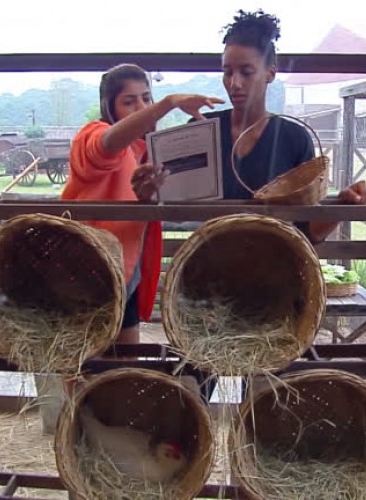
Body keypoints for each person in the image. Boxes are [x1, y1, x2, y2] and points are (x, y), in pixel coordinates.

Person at [131, 9, 366, 404]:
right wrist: (147, 196)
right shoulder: (201, 133)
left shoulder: (293, 138)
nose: (234, 83)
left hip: (274, 294)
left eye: (246, 71)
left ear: (271, 73)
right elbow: (171, 207)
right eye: (227, 71)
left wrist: (342, 207)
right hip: (203, 292)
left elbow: (303, 235)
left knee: (264, 409)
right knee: (184, 402)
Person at [33, 64, 223, 436]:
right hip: (87, 282)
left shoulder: (144, 152)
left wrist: (148, 198)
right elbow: (106, 148)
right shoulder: (94, 135)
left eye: (146, 97)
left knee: (124, 371)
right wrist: (168, 103)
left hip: (127, 278)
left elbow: (142, 212)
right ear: (110, 106)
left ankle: (117, 452)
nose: (140, 107)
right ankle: (82, 453)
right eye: (129, 101)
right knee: (85, 380)